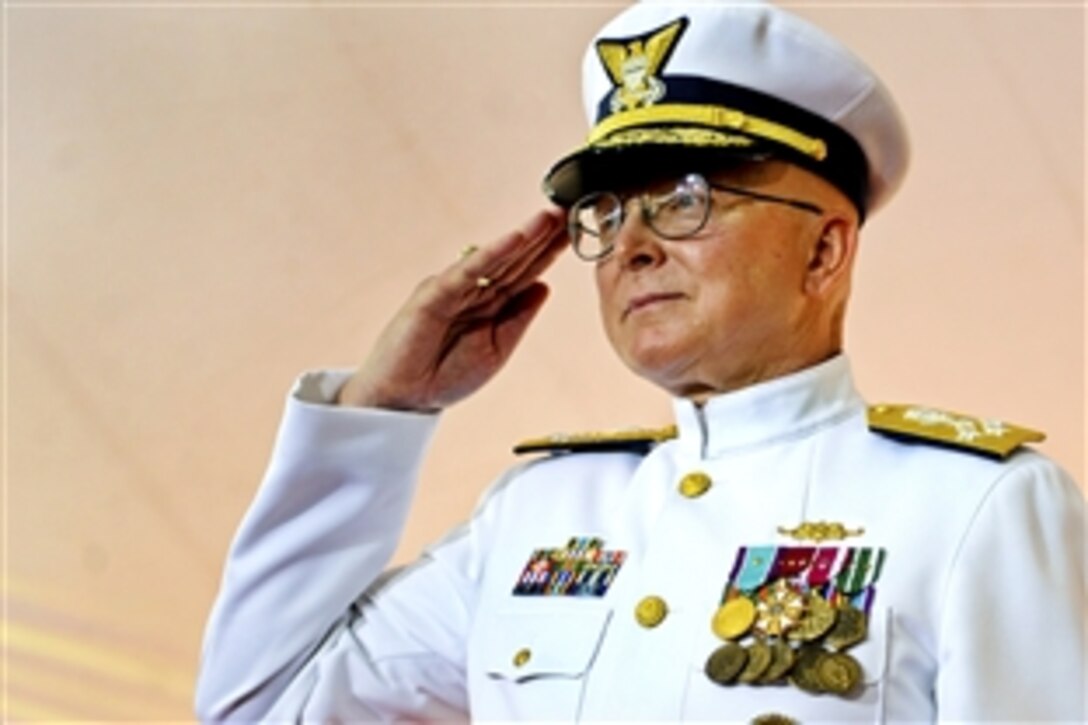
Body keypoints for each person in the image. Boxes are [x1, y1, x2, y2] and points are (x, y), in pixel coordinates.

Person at [195, 1, 1085, 722]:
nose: (633, 245)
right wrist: (380, 408)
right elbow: (263, 705)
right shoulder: (538, 514)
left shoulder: (976, 508)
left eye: (686, 197)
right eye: (610, 214)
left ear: (824, 252)